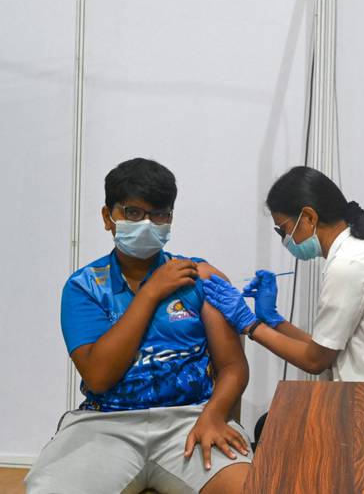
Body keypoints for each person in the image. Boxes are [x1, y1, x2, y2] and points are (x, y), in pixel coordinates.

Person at [25, 158, 252, 494]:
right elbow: (99, 376)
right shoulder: (85, 286)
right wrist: (151, 292)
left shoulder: (199, 277)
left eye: (160, 214)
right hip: (104, 425)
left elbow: (233, 367)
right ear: (108, 217)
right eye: (133, 212)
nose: (148, 223)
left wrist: (214, 415)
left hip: (190, 419)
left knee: (254, 487)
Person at [203, 166, 364, 382]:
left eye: (282, 229)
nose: (284, 239)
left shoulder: (349, 265)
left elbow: (315, 361)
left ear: (308, 217)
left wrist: (250, 324)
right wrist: (274, 320)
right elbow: (323, 347)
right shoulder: (353, 254)